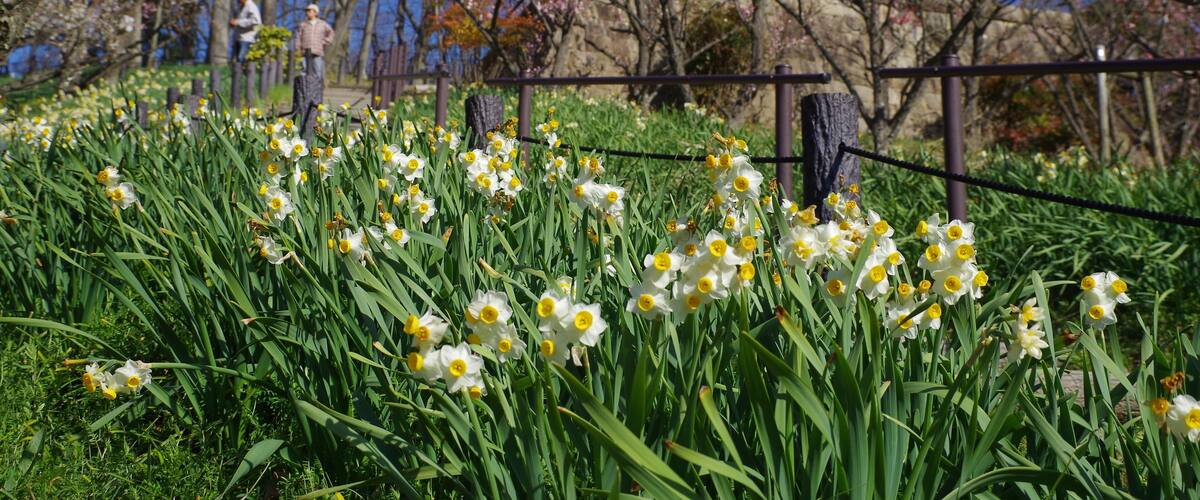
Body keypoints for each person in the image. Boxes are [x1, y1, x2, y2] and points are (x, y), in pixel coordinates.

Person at [294, 4, 334, 78]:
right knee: (304, 70)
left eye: (309, 10)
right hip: (304, 51)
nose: (307, 12)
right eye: (306, 11)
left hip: (317, 51)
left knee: (317, 70)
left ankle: (317, 88)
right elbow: (298, 37)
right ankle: (305, 88)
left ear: (315, 12)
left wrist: (324, 42)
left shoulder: (323, 24)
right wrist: (297, 48)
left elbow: (331, 33)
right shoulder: (303, 25)